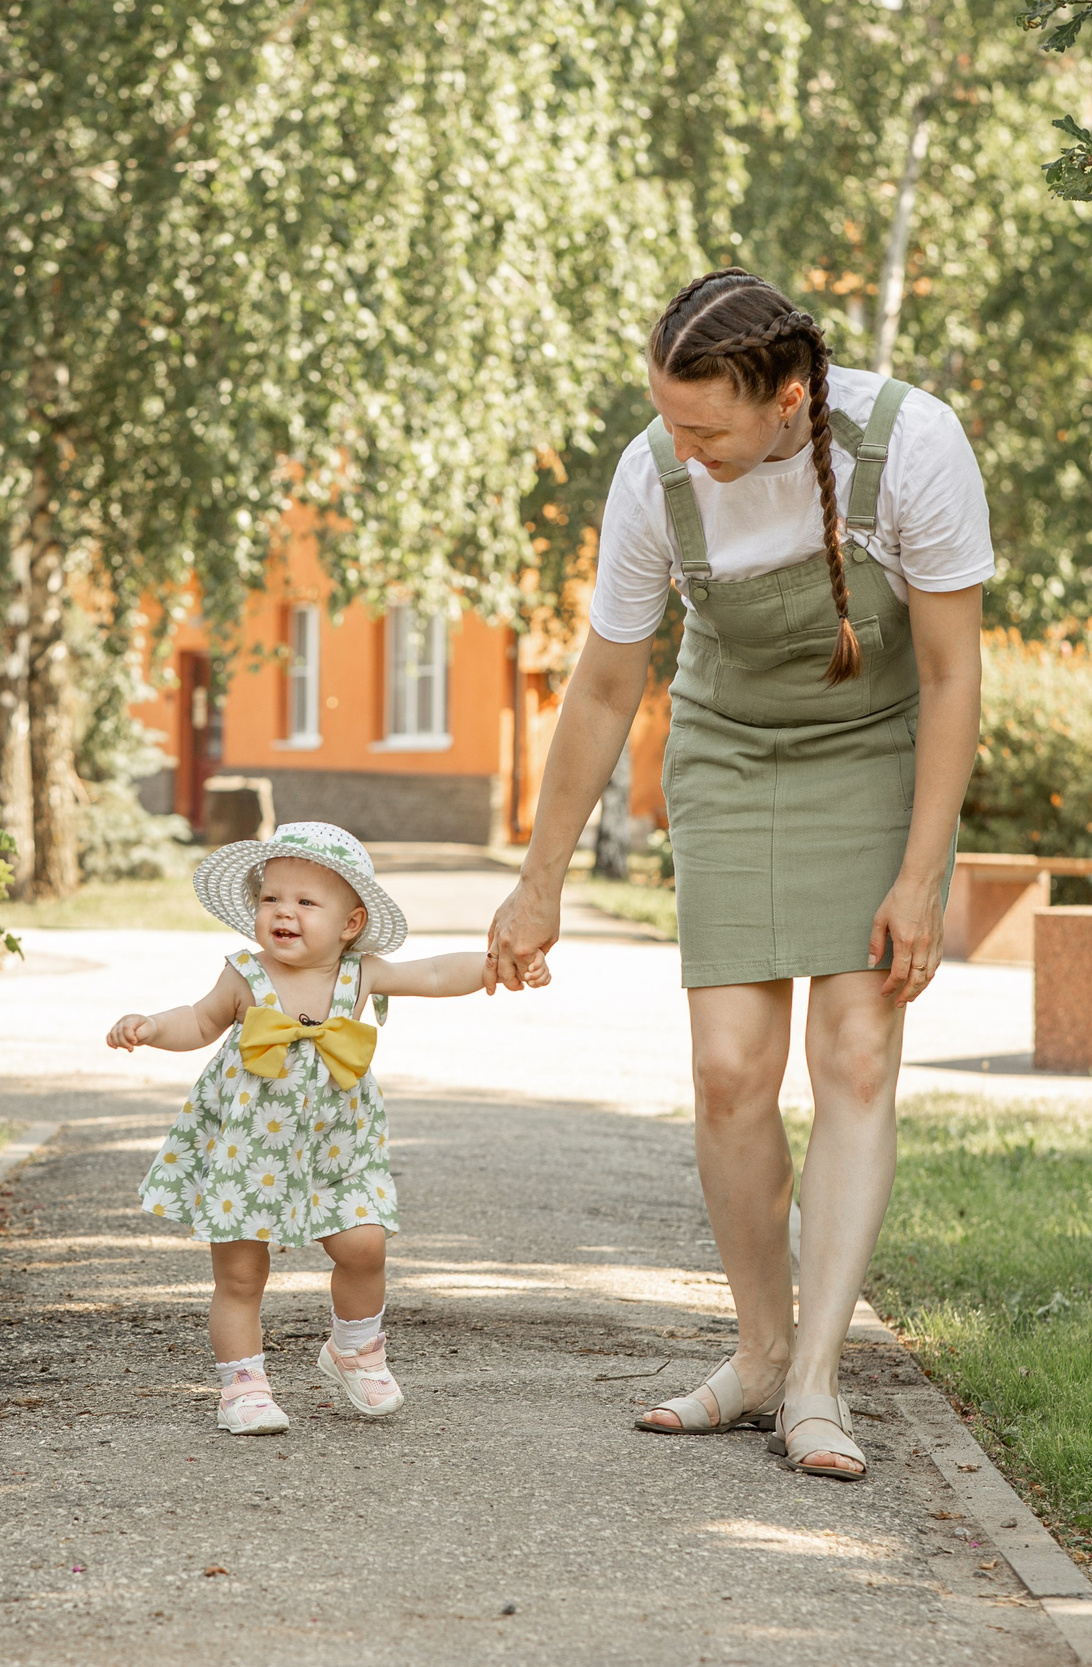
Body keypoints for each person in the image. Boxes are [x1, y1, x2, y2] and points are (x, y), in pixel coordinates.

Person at [486, 269, 989, 1479]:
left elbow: (952, 676)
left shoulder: (911, 445)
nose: (681, 443)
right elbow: (608, 683)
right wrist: (538, 878)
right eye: (667, 415)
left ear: (789, 400)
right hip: (730, 750)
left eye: (705, 424)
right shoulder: (654, 474)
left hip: (875, 751)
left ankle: (817, 1379)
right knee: (726, 1073)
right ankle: (758, 1354)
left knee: (856, 1056)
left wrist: (920, 877)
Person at [117, 821, 502, 1436]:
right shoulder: (245, 973)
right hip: (250, 1148)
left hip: (336, 1147)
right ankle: (242, 1385)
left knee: (364, 1244)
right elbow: (197, 1020)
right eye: (271, 898)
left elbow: (431, 974)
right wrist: (150, 1027)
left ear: (349, 924)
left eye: (305, 901)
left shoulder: (359, 973)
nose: (283, 913)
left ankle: (354, 1348)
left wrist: (493, 966)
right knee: (242, 1272)